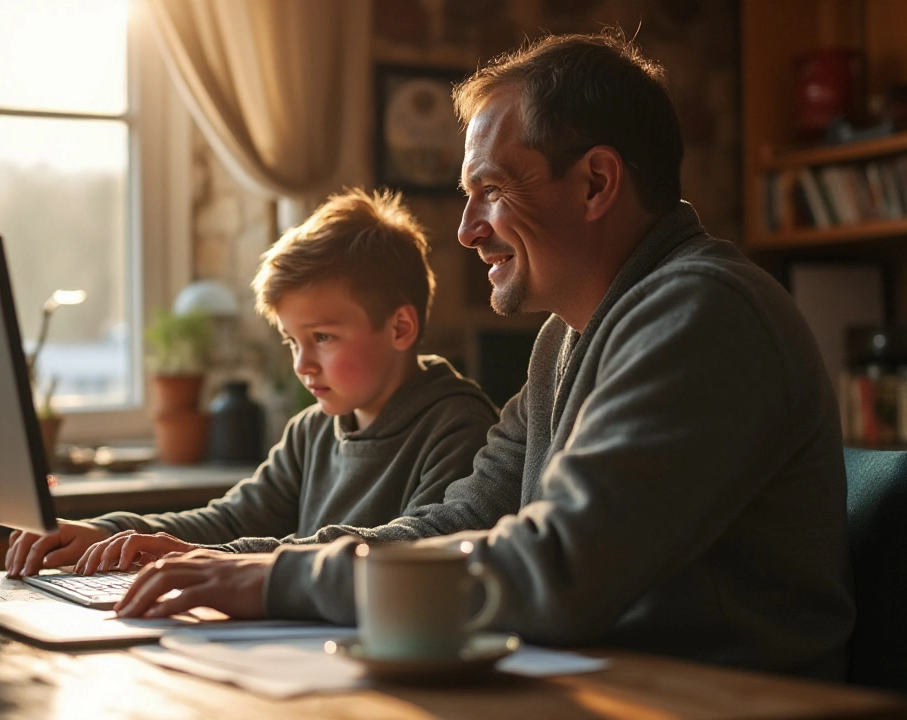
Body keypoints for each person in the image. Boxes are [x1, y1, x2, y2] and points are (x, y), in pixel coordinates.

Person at [108, 31, 856, 681]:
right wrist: (259, 567)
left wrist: (280, 582)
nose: (466, 230)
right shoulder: (565, 337)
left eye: (491, 190)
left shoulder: (703, 313)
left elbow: (558, 567)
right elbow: (461, 517)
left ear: (596, 182)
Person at [4, 188, 499, 578]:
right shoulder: (310, 431)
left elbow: (410, 552)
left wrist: (212, 559)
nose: (302, 363)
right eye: (291, 341)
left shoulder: (457, 426)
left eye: (323, 337)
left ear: (400, 329)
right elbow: (232, 520)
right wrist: (107, 533)